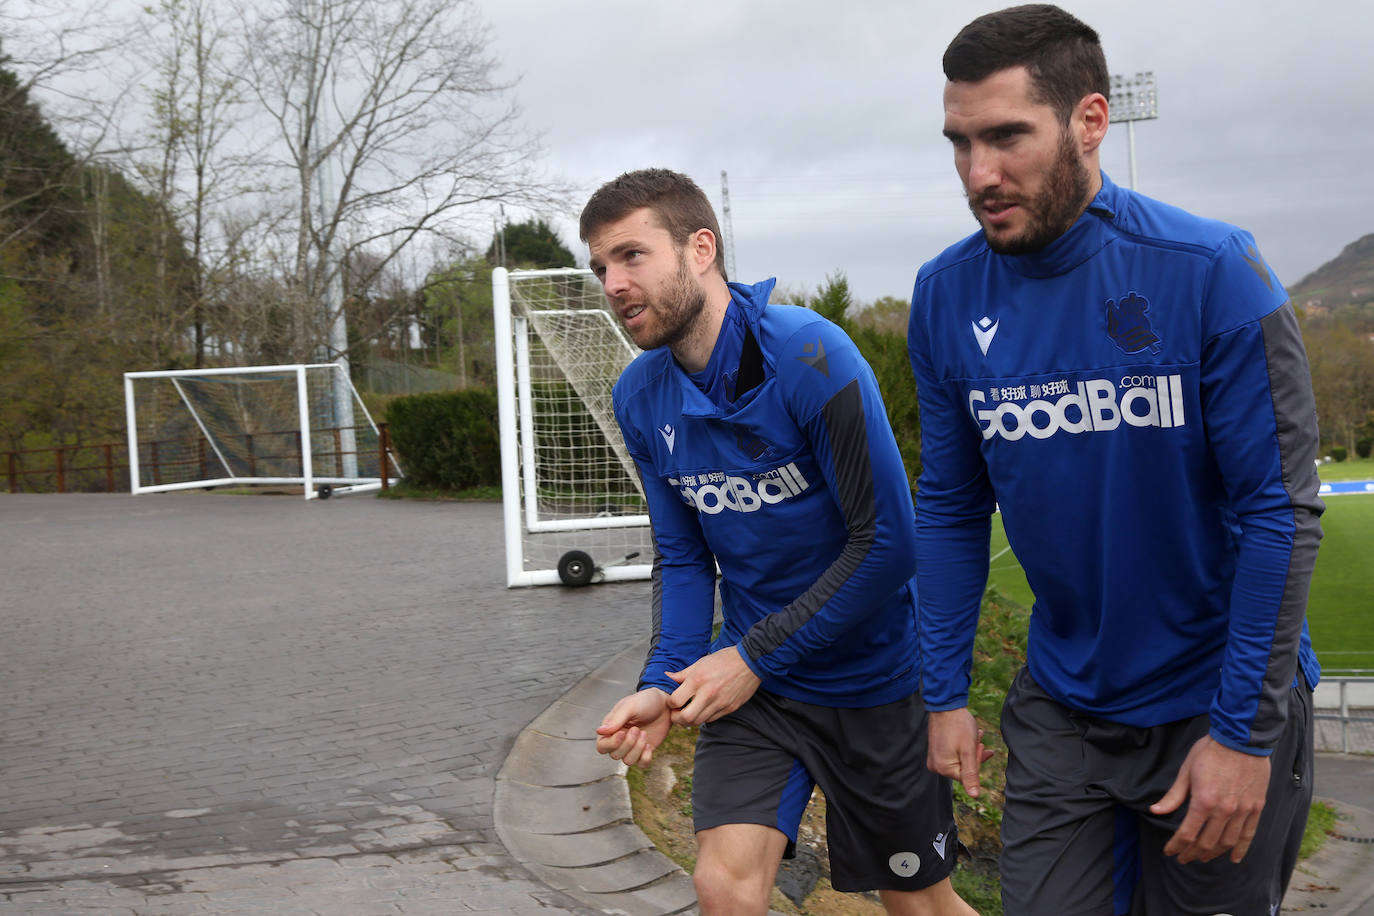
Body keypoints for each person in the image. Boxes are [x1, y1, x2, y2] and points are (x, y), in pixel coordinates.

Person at [907, 5, 1325, 915]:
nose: (980, 174)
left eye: (1008, 136)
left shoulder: (1213, 271)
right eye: (960, 143)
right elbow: (947, 507)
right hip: (1063, 709)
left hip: (1213, 705)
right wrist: (941, 690)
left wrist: (1244, 737)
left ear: (1091, 121)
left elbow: (1279, 514)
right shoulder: (944, 298)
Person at [582, 168, 975, 916]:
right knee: (722, 885)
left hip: (875, 680)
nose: (612, 282)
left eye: (632, 256)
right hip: (760, 692)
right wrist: (664, 683)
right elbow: (686, 556)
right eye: (601, 266)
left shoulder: (810, 355)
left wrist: (752, 656)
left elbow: (890, 545)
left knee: (919, 904)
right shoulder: (639, 395)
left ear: (701, 248)